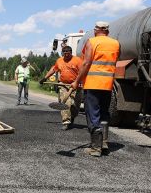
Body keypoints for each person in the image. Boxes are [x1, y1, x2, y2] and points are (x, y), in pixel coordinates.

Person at [71, 21, 120, 157]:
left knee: (93, 114)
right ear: (107, 31)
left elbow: (86, 63)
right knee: (104, 114)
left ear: (95, 30)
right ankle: (104, 143)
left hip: (93, 84)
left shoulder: (91, 42)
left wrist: (77, 81)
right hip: (108, 84)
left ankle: (95, 148)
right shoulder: (116, 43)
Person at [39, 46, 83, 130]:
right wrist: (45, 78)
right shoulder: (59, 61)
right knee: (66, 102)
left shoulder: (77, 61)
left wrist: (77, 82)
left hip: (76, 85)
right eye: (64, 54)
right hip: (63, 85)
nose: (66, 56)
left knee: (75, 105)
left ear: (71, 52)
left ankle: (72, 117)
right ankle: (66, 122)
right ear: (63, 53)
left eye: (68, 54)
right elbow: (53, 69)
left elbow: (82, 72)